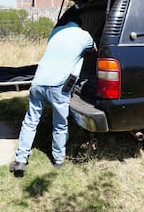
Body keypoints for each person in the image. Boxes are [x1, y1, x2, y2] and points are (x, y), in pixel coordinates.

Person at [9, 17, 96, 175]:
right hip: (59, 86)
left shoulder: (55, 32)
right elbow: (95, 50)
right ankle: (58, 160)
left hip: (38, 82)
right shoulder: (84, 36)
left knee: (30, 121)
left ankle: (21, 160)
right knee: (60, 125)